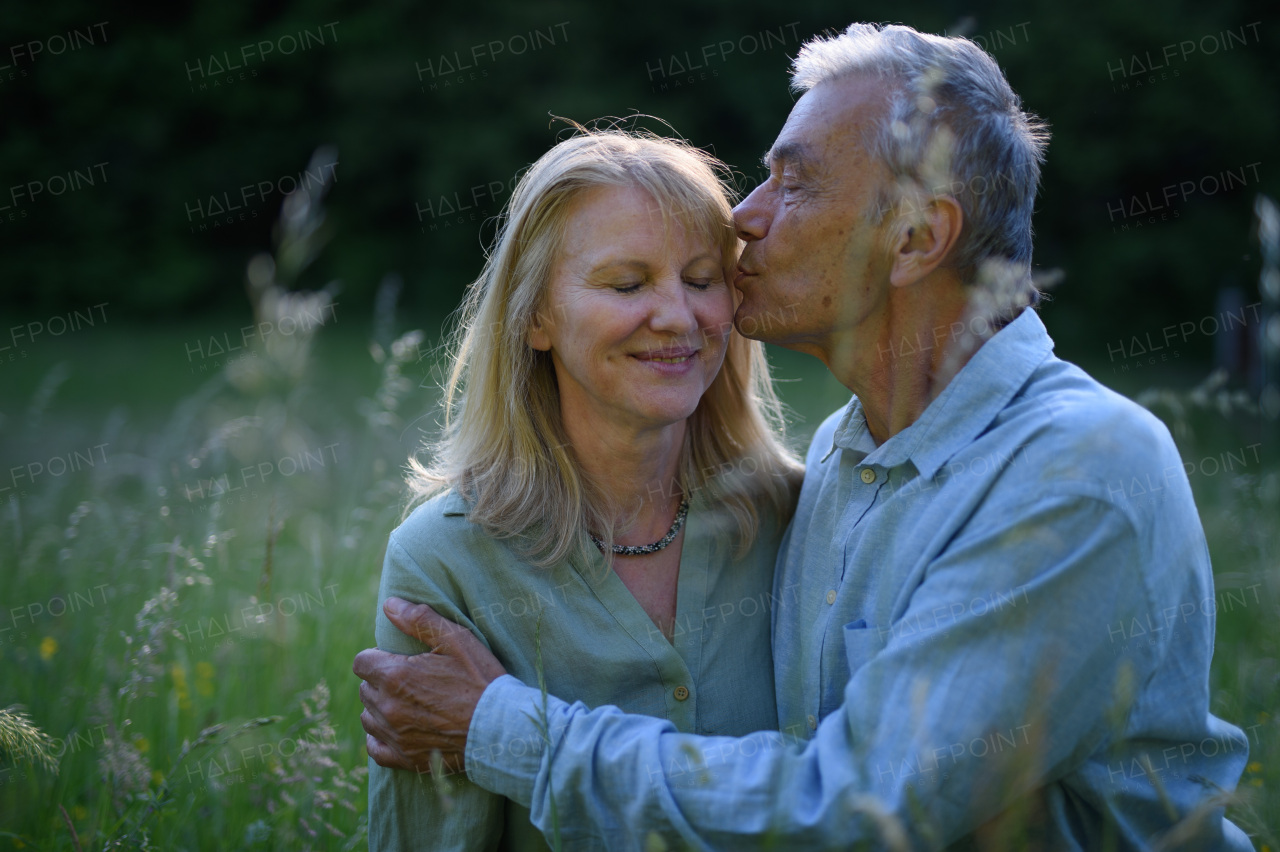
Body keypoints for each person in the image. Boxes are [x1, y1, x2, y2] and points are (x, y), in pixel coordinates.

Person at [355, 23, 1254, 850]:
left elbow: (861, 808)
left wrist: (503, 730)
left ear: (912, 241)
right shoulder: (837, 459)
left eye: (795, 182)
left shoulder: (1077, 468)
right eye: (764, 176)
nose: (746, 216)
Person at [362, 128, 803, 850]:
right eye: (627, 284)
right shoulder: (444, 561)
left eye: (700, 279)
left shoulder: (798, 515)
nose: (678, 316)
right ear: (536, 317)